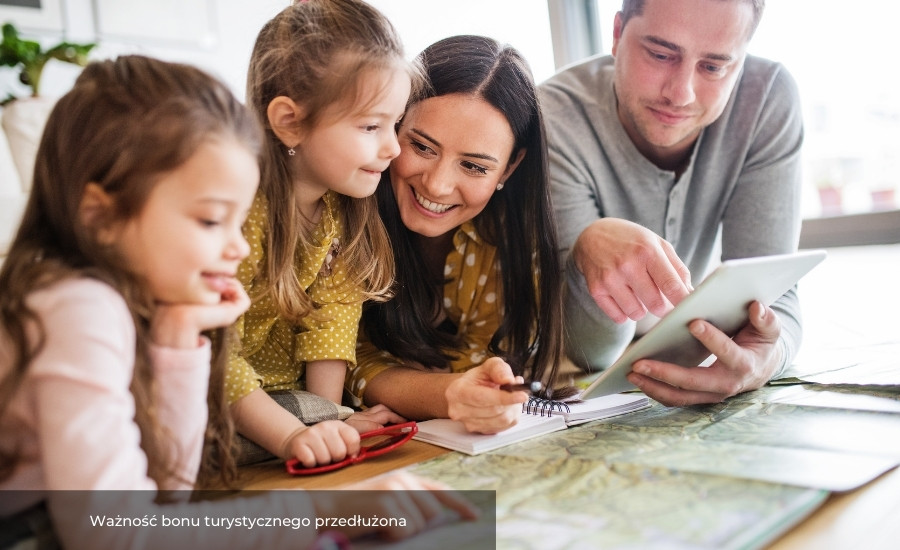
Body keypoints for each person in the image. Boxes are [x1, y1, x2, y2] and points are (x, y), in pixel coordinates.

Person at [0, 54, 476, 549]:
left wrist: (179, 341)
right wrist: (327, 510)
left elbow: (169, 496)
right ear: (101, 217)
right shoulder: (79, 310)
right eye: (210, 221)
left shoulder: (137, 306)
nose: (241, 248)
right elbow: (118, 535)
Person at [538, 0, 804, 406]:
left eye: (714, 67)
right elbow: (586, 350)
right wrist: (585, 252)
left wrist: (767, 357)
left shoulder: (766, 97)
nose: (680, 94)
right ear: (616, 34)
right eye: (661, 54)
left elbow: (776, 299)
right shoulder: (551, 118)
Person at [229, 0, 419, 466]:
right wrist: (295, 436)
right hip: (213, 387)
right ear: (290, 123)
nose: (393, 147)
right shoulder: (237, 211)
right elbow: (208, 359)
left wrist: (331, 419)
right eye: (371, 126)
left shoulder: (343, 210)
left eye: (394, 124)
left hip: (285, 398)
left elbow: (331, 327)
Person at [348, 35, 568, 434]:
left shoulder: (512, 240)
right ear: (393, 122)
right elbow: (348, 363)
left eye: (474, 167)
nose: (436, 185)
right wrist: (451, 393)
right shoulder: (345, 215)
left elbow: (482, 367)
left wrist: (463, 392)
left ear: (510, 168)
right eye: (422, 147)